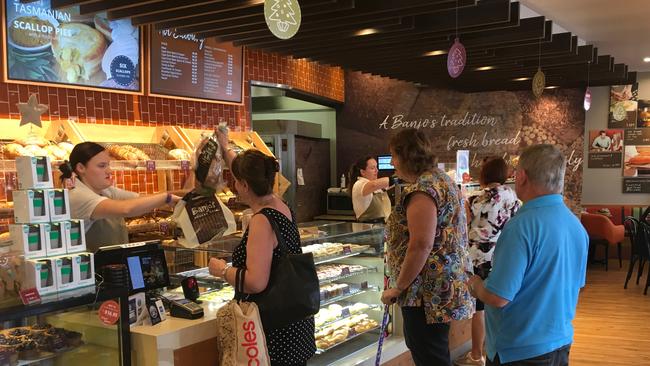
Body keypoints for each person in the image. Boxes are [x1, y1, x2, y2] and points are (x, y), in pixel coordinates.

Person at [466, 144, 588, 366]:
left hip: (519, 351)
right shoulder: (576, 226)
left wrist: (474, 284)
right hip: (560, 343)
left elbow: (497, 297)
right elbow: (575, 285)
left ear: (521, 176)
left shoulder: (520, 227)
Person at [208, 129, 316, 366]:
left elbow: (256, 282)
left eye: (236, 182)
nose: (234, 186)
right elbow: (245, 168)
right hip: (294, 325)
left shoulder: (261, 221)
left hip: (273, 331)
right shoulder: (280, 205)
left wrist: (221, 270)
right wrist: (225, 147)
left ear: (245, 185)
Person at [380, 128, 474, 366]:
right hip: (441, 288)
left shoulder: (423, 189)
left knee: (429, 355)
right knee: (433, 353)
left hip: (425, 294)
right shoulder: (443, 180)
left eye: (394, 156)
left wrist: (398, 287)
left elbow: (421, 244)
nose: (392, 163)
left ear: (407, 155)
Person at [454, 158, 520, 366]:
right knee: (504, 303)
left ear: (483, 175)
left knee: (479, 309)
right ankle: (503, 351)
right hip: (505, 255)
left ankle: (476, 356)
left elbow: (462, 230)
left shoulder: (474, 200)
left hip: (479, 259)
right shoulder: (514, 198)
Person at [59, 142, 181, 252]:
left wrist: (185, 194)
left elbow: (139, 199)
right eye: (102, 166)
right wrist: (166, 198)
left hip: (115, 265)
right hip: (94, 272)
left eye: (108, 165)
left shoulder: (105, 190)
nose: (109, 171)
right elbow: (126, 209)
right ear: (81, 168)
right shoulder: (78, 195)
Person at [349, 156, 391, 222]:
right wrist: (398, 178)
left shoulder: (379, 188)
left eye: (376, 167)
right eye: (372, 168)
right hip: (367, 228)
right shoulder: (359, 184)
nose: (376, 170)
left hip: (381, 227)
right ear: (362, 172)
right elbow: (374, 185)